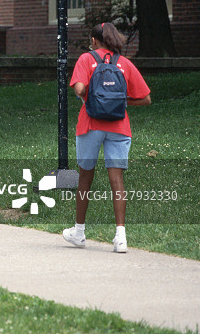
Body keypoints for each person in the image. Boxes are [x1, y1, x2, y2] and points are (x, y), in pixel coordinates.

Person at [63, 22, 151, 253]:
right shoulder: (124, 63)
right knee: (117, 180)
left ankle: (79, 233)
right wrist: (120, 103)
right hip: (119, 126)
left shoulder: (86, 59)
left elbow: (80, 89)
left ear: (94, 40)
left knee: (85, 177)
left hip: (90, 125)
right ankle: (120, 238)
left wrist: (90, 97)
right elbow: (146, 98)